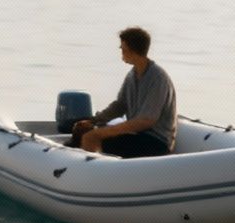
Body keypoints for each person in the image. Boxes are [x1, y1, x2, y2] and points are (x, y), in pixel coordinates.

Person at [69, 27, 176, 158]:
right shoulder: (132, 75)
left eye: (122, 47)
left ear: (132, 50)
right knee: (83, 131)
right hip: (138, 135)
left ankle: (90, 174)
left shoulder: (157, 78)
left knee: (92, 137)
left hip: (156, 141)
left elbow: (146, 120)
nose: (121, 50)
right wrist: (94, 121)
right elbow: (120, 105)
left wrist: (105, 132)